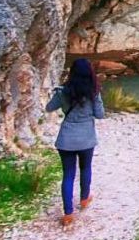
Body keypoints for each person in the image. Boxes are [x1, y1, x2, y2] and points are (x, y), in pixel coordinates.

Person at [45, 58, 105, 226]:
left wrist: (57, 94)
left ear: (72, 73)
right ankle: (84, 199)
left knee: (68, 175)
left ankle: (68, 214)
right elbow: (100, 114)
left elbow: (49, 108)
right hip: (86, 138)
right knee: (85, 168)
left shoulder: (63, 91)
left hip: (66, 138)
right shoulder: (93, 93)